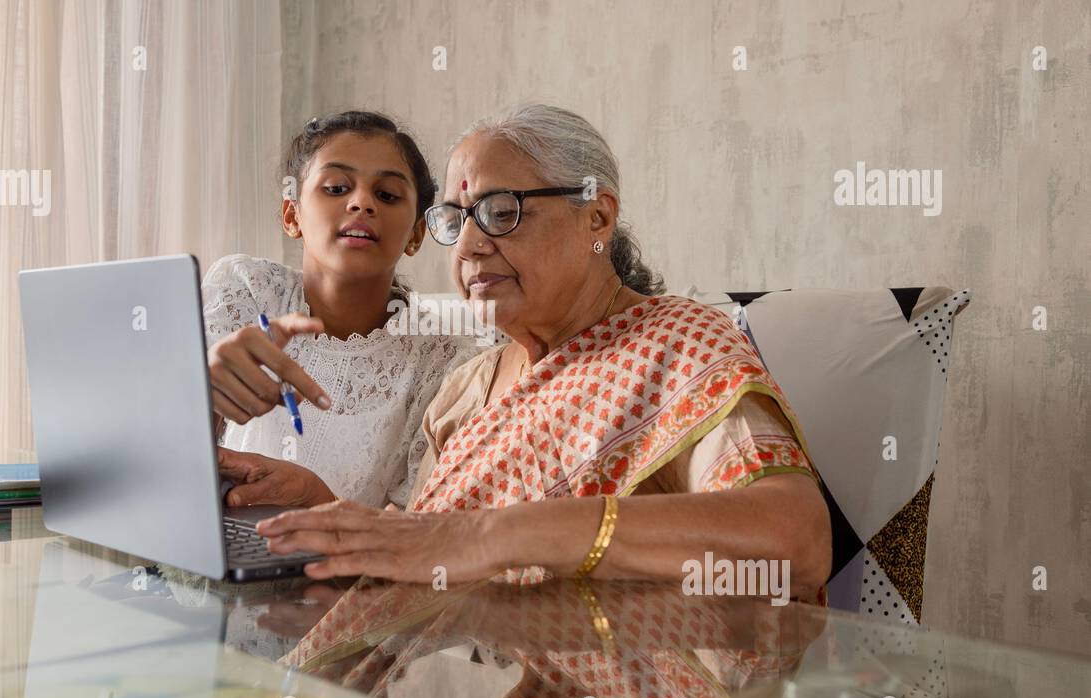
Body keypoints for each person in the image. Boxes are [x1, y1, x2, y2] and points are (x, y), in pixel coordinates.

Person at [254, 104, 832, 603]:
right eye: (456, 221)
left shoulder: (679, 344)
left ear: (597, 217)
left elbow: (793, 543)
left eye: (502, 212)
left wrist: (501, 536)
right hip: (457, 697)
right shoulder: (466, 389)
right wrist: (320, 504)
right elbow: (423, 555)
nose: (472, 246)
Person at [201, 111, 476, 510]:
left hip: (342, 574)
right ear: (292, 215)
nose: (362, 202)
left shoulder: (446, 366)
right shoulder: (245, 290)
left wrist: (320, 501)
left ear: (417, 234)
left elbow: (417, 536)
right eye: (335, 187)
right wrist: (202, 395)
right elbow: (165, 464)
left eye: (387, 195)